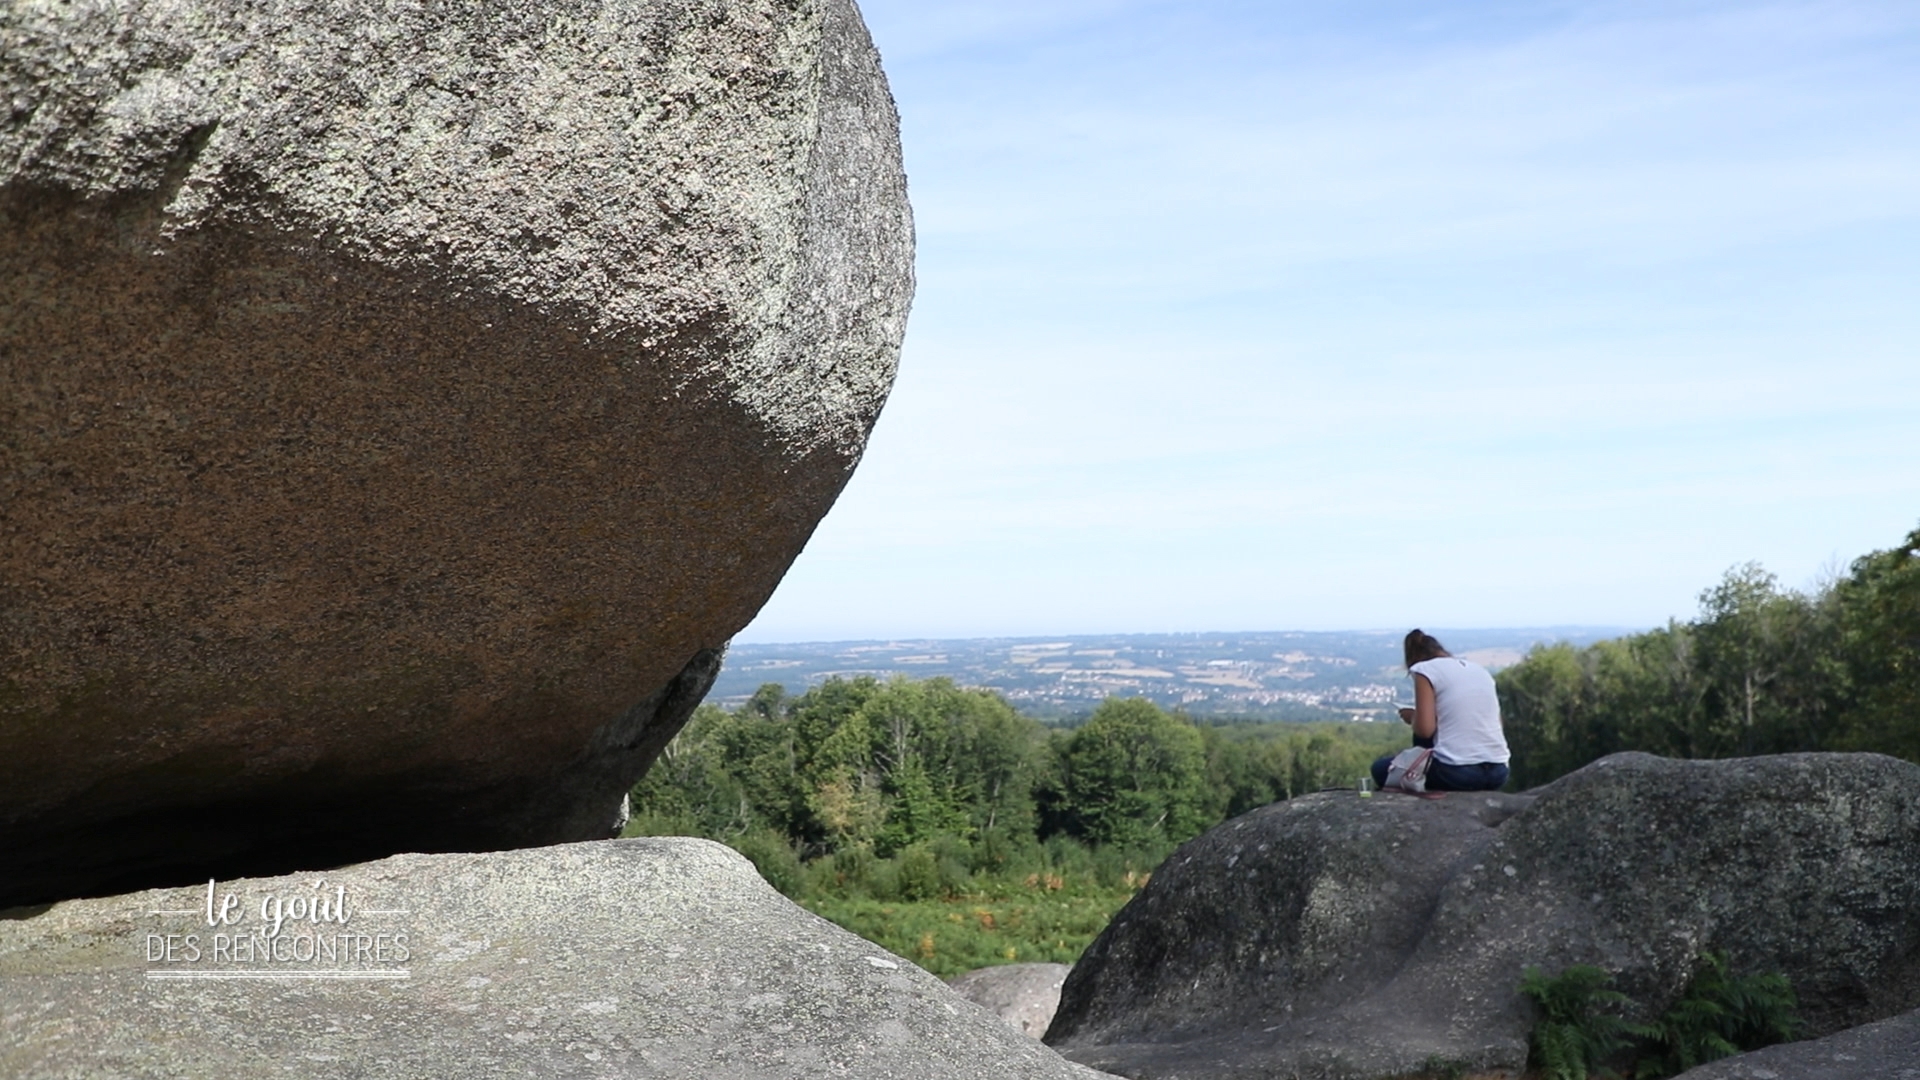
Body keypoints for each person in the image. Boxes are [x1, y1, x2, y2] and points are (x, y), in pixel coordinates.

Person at [1370, 629, 1510, 792]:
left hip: (1458, 773)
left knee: (1380, 769)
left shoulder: (1424, 669)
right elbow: (1497, 724)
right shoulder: (1480, 671)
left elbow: (1424, 731)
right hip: (1499, 772)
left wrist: (1413, 716)